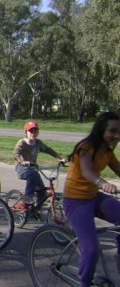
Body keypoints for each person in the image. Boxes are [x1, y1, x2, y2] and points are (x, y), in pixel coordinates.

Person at [62, 112, 120, 287]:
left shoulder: (107, 151)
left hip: (94, 197)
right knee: (91, 250)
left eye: (119, 131)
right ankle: (84, 284)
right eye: (112, 131)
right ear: (101, 130)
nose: (116, 135)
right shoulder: (86, 147)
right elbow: (87, 171)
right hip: (75, 201)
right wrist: (103, 183)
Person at [13, 121, 65, 205]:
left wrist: (59, 158)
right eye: (31, 131)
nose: (33, 133)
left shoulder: (37, 143)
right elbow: (16, 154)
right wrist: (23, 162)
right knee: (32, 173)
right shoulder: (22, 143)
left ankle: (35, 213)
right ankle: (28, 196)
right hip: (22, 168)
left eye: (35, 131)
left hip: (33, 169)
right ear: (26, 132)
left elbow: (48, 150)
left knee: (42, 192)